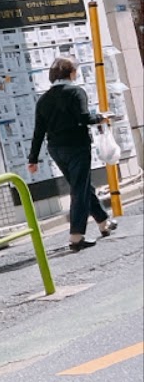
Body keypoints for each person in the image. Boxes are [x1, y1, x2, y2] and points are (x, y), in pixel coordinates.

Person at [28, 56, 119, 252]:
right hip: (76, 146)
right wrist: (102, 117)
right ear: (71, 73)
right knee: (79, 189)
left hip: (56, 149)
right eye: (75, 71)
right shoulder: (76, 92)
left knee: (82, 185)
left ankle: (104, 222)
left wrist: (33, 159)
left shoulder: (43, 99)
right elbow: (84, 118)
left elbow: (38, 131)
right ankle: (76, 237)